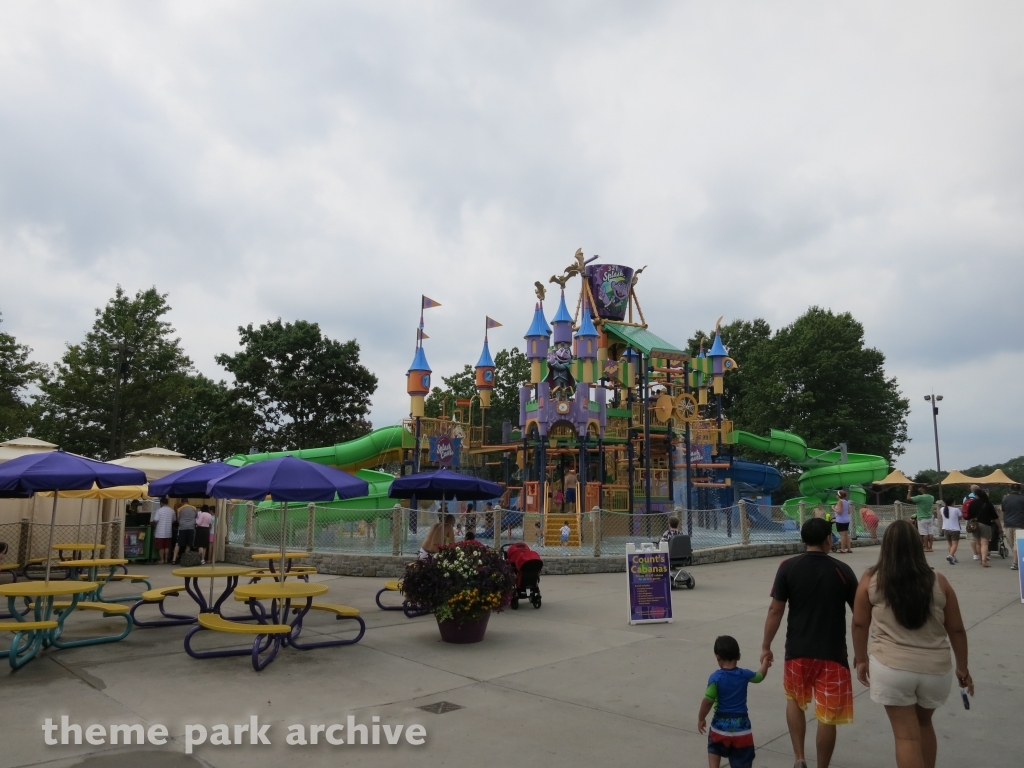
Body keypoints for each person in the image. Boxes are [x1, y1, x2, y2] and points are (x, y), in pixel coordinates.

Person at [851, 519, 973, 768]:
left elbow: (859, 624)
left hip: (891, 667)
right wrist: (963, 667)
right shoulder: (938, 581)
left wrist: (861, 658)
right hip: (935, 669)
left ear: (886, 546)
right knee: (924, 725)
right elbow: (957, 629)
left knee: (906, 735)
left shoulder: (871, 579)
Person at [761, 518, 857, 768]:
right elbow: (860, 616)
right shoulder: (843, 570)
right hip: (834, 654)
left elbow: (775, 610)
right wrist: (863, 653)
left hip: (797, 651)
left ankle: (799, 758)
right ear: (828, 539)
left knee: (794, 700)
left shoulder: (788, 567)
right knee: (827, 715)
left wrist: (766, 645)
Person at [698, 635, 771, 768]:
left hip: (720, 727)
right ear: (739, 656)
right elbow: (759, 676)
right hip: (742, 729)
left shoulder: (716, 678)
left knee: (714, 748)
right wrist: (765, 663)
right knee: (742, 760)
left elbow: (708, 700)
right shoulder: (744, 674)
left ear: (717, 657)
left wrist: (701, 718)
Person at [968, 489, 1000, 568]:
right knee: (985, 543)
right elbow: (995, 517)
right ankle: (984, 561)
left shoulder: (972, 503)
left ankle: (980, 559)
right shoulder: (988, 504)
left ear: (976, 495)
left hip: (975, 525)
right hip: (985, 524)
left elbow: (969, 515)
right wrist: (999, 526)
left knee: (978, 543)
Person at [1001, 484, 1024, 571]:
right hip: (1020, 524)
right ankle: (1016, 562)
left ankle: (1015, 562)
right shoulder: (1023, 498)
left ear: (1011, 489)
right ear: (1019, 490)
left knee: (1012, 544)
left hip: (1008, 524)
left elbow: (1003, 511)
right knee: (1016, 544)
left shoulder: (1005, 499)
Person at [907, 486, 936, 553]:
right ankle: (930, 547)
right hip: (930, 516)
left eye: (920, 488)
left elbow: (908, 498)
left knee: (924, 533)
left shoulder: (920, 497)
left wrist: (909, 490)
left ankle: (926, 547)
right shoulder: (931, 497)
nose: (919, 488)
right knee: (930, 532)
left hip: (922, 517)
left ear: (923, 489)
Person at [938, 498, 962, 565]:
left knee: (950, 544)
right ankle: (950, 555)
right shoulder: (956, 510)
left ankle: (952, 557)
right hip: (955, 529)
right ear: (953, 503)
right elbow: (960, 517)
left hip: (946, 528)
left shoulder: (942, 509)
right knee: (955, 544)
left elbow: (940, 517)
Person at [173, 500, 198, 565]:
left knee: (178, 544)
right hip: (191, 527)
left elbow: (178, 519)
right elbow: (196, 517)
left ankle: (174, 560)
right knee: (188, 544)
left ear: (182, 502)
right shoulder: (194, 508)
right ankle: (186, 560)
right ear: (188, 502)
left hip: (182, 528)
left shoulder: (179, 509)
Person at [152, 497, 175, 564]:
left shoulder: (159, 510)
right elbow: (174, 520)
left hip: (160, 531)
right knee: (167, 546)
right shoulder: (172, 511)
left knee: (161, 546)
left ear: (161, 503)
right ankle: (166, 559)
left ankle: (161, 560)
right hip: (168, 531)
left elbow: (155, 520)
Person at [961, 485, 979, 560]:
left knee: (972, 538)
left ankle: (975, 554)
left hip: (969, 521)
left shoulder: (966, 498)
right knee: (980, 538)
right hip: (978, 519)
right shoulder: (979, 497)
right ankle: (982, 553)